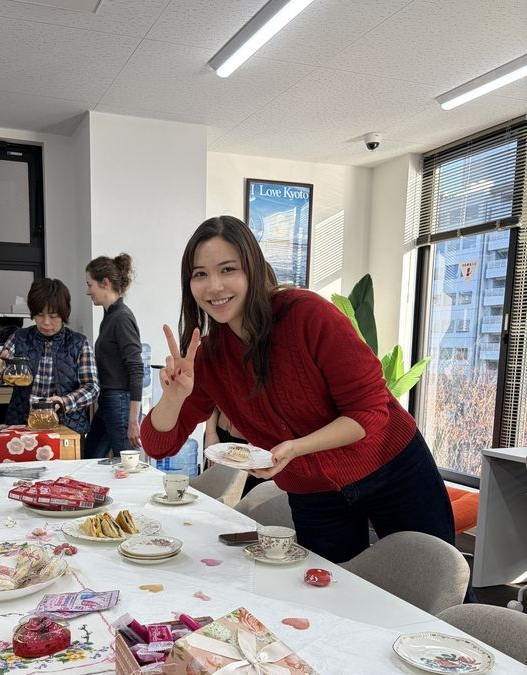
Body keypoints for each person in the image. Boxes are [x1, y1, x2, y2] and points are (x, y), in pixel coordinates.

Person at [140, 215, 456, 564]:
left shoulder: (307, 316)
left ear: (253, 270)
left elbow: (369, 412)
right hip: (314, 493)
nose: (214, 286)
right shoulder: (211, 356)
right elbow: (159, 445)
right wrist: (173, 399)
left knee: (434, 582)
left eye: (228, 269)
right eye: (200, 274)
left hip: (391, 466)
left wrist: (297, 448)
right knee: (326, 590)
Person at [0, 277, 99, 435]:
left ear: (64, 314)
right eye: (39, 315)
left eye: (53, 316)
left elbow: (92, 388)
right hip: (22, 426)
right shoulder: (19, 338)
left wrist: (65, 401)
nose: (46, 322)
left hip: (66, 428)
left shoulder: (79, 343)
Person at [84, 253, 144, 458]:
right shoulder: (110, 317)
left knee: (128, 463)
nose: (87, 291)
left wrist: (133, 420)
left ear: (105, 283)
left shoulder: (121, 317)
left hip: (119, 401)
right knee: (90, 457)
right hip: (108, 400)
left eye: (90, 284)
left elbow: (136, 367)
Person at [204, 407, 262, 497]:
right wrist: (210, 433)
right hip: (218, 436)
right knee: (209, 497)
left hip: (254, 447)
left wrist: (259, 448)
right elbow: (210, 397)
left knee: (243, 505)